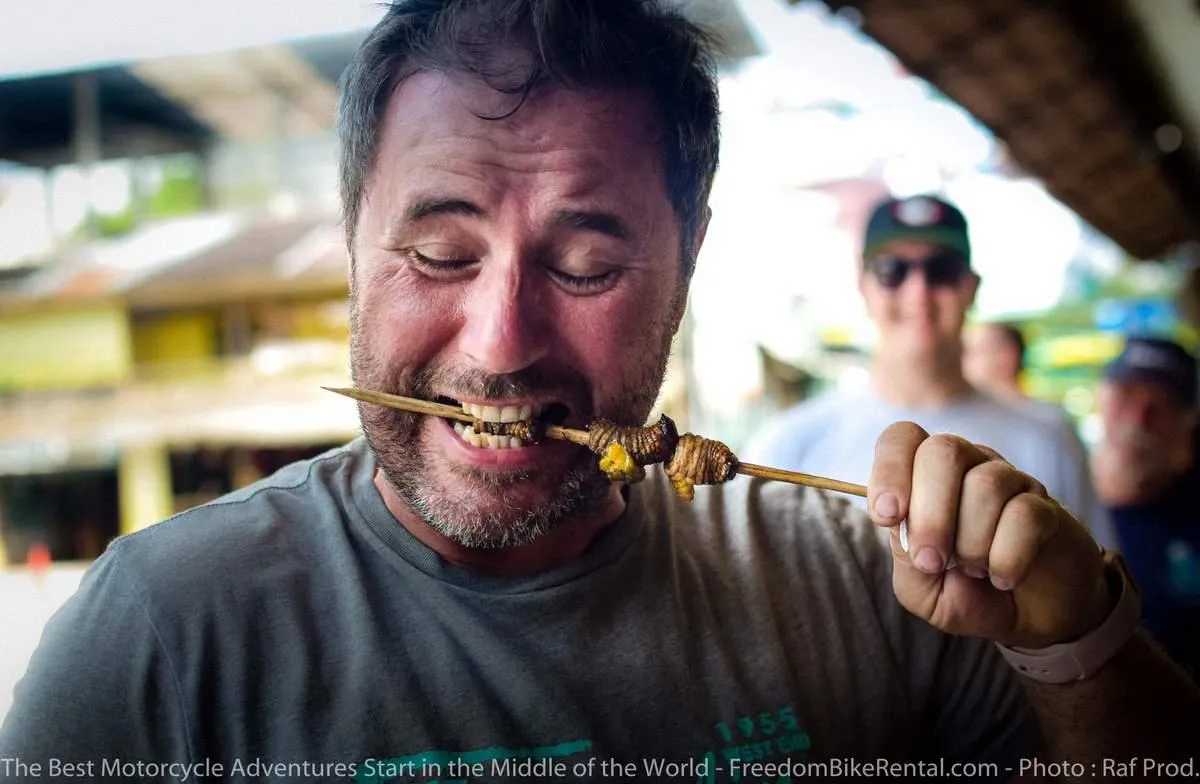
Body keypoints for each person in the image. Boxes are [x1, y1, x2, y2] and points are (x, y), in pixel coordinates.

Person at [2, 1, 1196, 780]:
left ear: (691, 253)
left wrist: (1077, 638)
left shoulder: (870, 587)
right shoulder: (160, 640)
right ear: (353, 239)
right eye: (439, 252)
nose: (502, 342)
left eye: (587, 264)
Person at [744, 193, 1118, 551]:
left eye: (941, 270)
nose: (918, 290)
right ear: (864, 287)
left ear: (970, 288)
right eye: (893, 270)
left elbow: (1103, 593)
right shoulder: (788, 445)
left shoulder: (1050, 437)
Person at [1090, 336, 1200, 676]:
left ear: (1188, 424)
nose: (1138, 419)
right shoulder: (1050, 489)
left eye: (1161, 404)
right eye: (1126, 395)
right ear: (1101, 399)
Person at [963, 320, 1074, 427]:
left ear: (1006, 355)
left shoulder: (1049, 420)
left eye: (973, 352)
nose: (962, 360)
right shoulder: (970, 420)